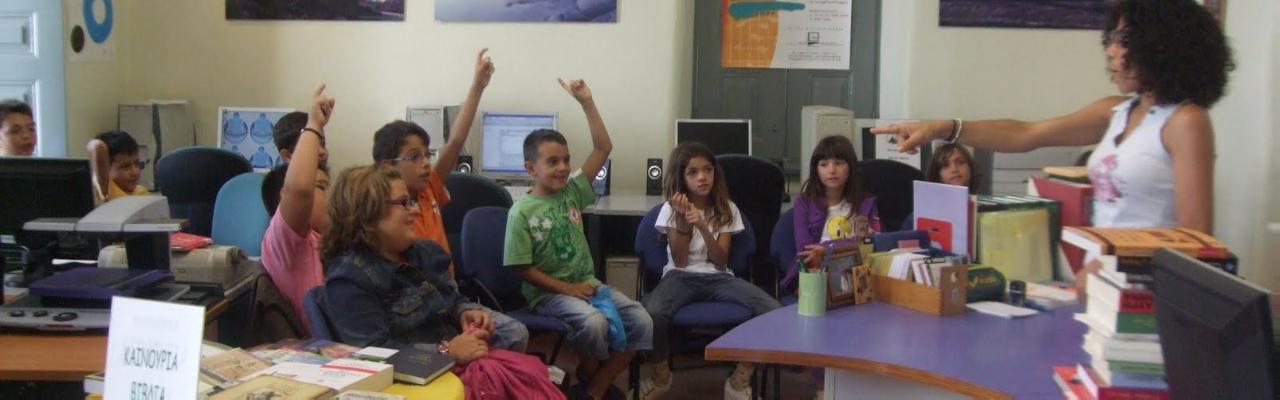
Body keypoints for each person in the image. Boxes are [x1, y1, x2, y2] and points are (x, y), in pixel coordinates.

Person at [873, 0, 1232, 234]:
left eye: (1123, 39)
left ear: (1162, 44)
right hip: (1102, 280)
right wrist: (942, 128)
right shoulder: (1116, 111)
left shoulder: (1185, 121)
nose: (1110, 50)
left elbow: (1196, 239)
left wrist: (1113, 255)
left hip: (1145, 293)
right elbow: (1027, 134)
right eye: (1111, 37)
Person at [504, 78, 651, 399]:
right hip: (548, 294)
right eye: (552, 162)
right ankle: (591, 378)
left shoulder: (572, 191)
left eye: (566, 160)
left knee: (642, 320)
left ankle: (594, 387)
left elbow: (603, 148)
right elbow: (521, 268)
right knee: (594, 324)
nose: (563, 168)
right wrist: (567, 289)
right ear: (531, 168)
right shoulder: (521, 212)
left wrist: (587, 102)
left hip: (588, 285)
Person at [639, 142, 781, 400]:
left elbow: (720, 261)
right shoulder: (671, 209)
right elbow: (681, 261)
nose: (702, 177)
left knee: (772, 310)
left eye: (707, 169)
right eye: (693, 172)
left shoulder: (727, 208)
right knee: (653, 313)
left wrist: (703, 226)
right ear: (682, 177)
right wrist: (684, 224)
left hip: (718, 277)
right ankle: (661, 375)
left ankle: (740, 379)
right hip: (680, 277)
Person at [373, 48, 494, 276]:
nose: (426, 163)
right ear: (387, 166)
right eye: (414, 157)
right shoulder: (384, 213)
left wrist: (478, 86)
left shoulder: (428, 189)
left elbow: (455, 141)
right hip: (419, 293)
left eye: (427, 155)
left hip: (449, 291)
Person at [259, 85, 334, 334]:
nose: (331, 196)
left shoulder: (329, 240)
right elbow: (299, 190)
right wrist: (314, 124)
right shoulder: (288, 244)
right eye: (321, 187)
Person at [87, 130, 149, 204]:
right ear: (107, 168)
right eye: (125, 166)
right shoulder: (106, 190)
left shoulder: (141, 191)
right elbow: (98, 146)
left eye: (137, 163)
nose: (135, 172)